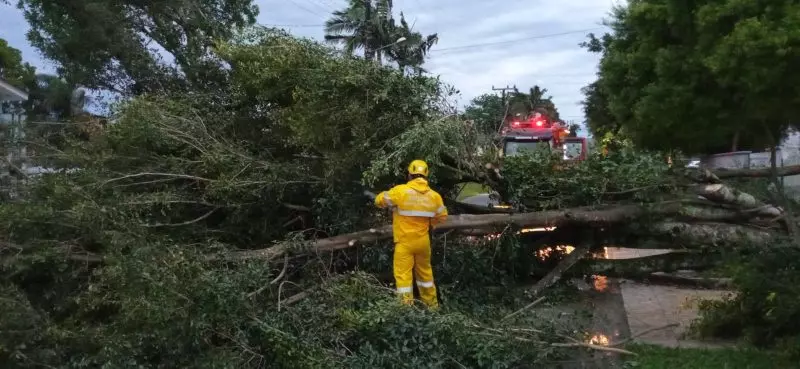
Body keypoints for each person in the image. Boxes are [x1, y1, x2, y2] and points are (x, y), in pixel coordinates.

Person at [373, 160, 448, 308]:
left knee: (403, 277)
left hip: (404, 242)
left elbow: (379, 200)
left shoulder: (401, 191)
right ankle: (432, 307)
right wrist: (429, 223)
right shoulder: (434, 196)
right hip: (423, 242)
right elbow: (442, 216)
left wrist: (389, 202)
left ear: (409, 175)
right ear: (426, 176)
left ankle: (406, 310)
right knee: (425, 275)